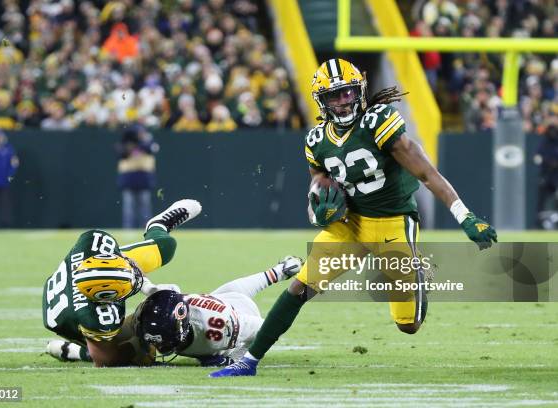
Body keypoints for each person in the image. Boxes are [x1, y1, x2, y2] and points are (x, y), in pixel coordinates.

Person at [211, 58, 497, 377]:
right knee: (300, 287)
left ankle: (418, 278)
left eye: (348, 93)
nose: (344, 101)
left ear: (359, 90)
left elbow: (426, 173)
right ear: (322, 101)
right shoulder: (316, 140)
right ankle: (249, 361)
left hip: (393, 220)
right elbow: (317, 188)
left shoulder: (378, 120)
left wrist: (464, 215)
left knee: (409, 325)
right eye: (335, 96)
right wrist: (317, 212)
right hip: (349, 225)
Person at [44, 199, 201, 367]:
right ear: (106, 299)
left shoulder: (90, 247)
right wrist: (139, 344)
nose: (137, 278)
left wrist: (148, 288)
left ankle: (158, 224)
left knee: (165, 247)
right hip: (66, 319)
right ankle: (76, 351)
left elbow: (117, 268)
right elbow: (104, 360)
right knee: (131, 354)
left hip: (82, 277)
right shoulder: (97, 317)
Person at [135, 255, 302, 366]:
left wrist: (235, 359)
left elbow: (268, 329)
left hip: (240, 312)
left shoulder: (218, 331)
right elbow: (161, 290)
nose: (157, 346)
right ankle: (281, 270)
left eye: (162, 343)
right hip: (221, 298)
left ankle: (282, 271)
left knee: (240, 293)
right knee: (231, 291)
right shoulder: (166, 300)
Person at [117, 125, 160, 228]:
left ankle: (146, 228)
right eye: (138, 133)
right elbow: (121, 154)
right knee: (129, 207)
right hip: (129, 178)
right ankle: (128, 230)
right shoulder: (125, 144)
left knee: (145, 207)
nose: (140, 135)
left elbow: (152, 148)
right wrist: (130, 144)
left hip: (143, 178)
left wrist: (140, 142)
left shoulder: (148, 143)